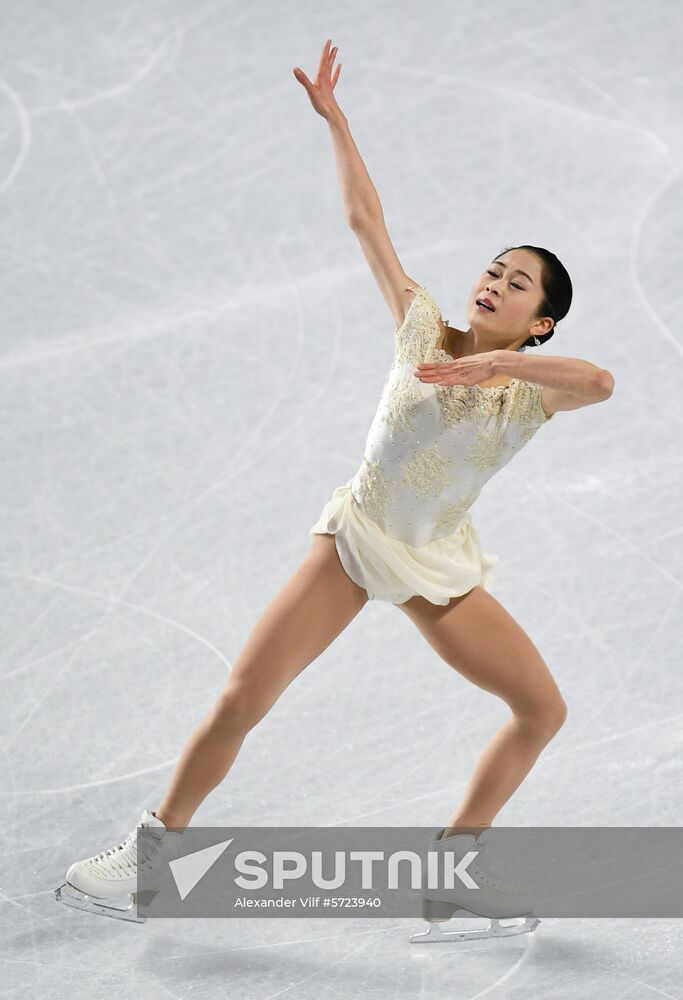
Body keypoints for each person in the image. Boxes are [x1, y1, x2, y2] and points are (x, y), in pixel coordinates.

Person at [55, 40, 615, 934]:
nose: (491, 281)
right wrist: (338, 123)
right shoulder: (422, 326)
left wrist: (501, 367)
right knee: (243, 697)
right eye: (493, 268)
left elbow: (600, 385)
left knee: (540, 709)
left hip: (438, 565)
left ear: (537, 321)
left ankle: (451, 872)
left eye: (515, 285)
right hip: (357, 543)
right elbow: (366, 221)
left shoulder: (529, 397)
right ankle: (150, 859)